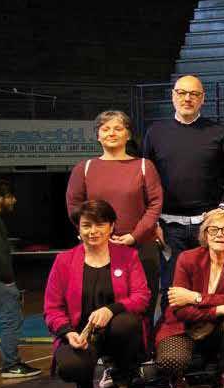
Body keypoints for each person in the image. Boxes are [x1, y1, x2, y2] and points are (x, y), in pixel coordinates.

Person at [45, 200, 150, 388]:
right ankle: (83, 383)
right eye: (86, 225)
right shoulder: (63, 261)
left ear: (111, 227)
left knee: (126, 323)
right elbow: (52, 308)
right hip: (80, 334)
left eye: (100, 224)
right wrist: (68, 332)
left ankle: (123, 380)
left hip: (116, 331)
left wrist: (111, 310)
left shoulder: (128, 256)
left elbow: (142, 296)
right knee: (70, 368)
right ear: (79, 228)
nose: (93, 231)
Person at [66, 111, 163, 328]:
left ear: (128, 134)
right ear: (97, 135)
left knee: (142, 308)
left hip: (140, 248)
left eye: (118, 128)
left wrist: (134, 236)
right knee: (97, 307)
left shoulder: (144, 166)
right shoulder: (84, 168)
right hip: (97, 249)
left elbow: (155, 204)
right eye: (106, 129)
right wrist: (96, 236)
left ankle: (144, 345)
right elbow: (74, 207)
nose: (112, 133)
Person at [143, 75, 224, 302]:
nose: (187, 98)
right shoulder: (155, 132)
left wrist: (223, 209)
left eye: (194, 94)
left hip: (208, 226)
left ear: (203, 98)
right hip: (168, 227)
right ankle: (170, 326)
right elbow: (146, 181)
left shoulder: (219, 132)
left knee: (211, 288)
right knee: (172, 289)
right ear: (173, 96)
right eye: (182, 93)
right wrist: (153, 222)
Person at [154, 210, 224, 388]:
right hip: (183, 326)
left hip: (218, 326)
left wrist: (195, 297)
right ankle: (177, 375)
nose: (219, 234)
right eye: (213, 229)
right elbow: (180, 310)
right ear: (205, 235)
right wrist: (220, 309)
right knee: (171, 361)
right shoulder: (187, 258)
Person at [0, 180, 40, 378]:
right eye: (10, 196)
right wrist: (9, 281)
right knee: (11, 320)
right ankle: (11, 365)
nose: (14, 200)